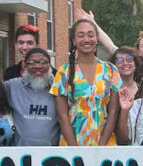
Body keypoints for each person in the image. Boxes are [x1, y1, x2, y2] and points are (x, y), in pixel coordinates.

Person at [51, 18, 121, 146]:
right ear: (74, 41)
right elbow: (61, 115)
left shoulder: (111, 70)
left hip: (104, 140)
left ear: (97, 38)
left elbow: (113, 111)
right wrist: (75, 149)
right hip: (73, 140)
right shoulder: (64, 71)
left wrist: (102, 146)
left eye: (90, 34)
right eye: (80, 35)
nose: (86, 39)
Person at [5, 47, 61, 146]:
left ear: (50, 65)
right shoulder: (13, 86)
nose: (38, 66)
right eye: (32, 62)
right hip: (20, 156)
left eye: (43, 62)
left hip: (52, 156)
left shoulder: (60, 87)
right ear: (25, 66)